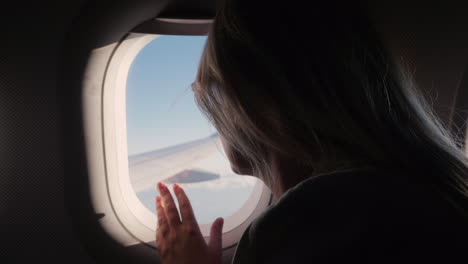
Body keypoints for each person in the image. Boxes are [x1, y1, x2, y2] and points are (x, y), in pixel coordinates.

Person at [154, 0, 468, 263]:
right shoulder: (426, 190)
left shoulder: (306, 224)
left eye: (219, 99)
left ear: (261, 107)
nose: (218, 124)